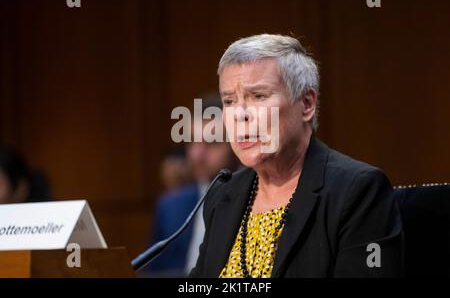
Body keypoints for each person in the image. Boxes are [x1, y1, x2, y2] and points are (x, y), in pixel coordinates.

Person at [189, 34, 403, 278]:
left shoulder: (357, 191)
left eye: (258, 96)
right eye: (229, 100)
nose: (239, 115)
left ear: (307, 103)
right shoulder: (223, 194)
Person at [144, 94, 240, 277]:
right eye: (192, 141)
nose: (197, 154)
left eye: (212, 143)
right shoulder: (170, 206)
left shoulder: (258, 201)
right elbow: (154, 272)